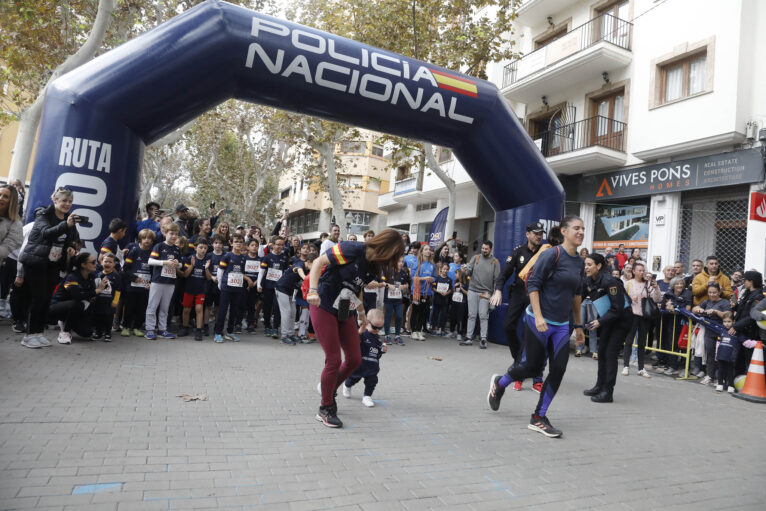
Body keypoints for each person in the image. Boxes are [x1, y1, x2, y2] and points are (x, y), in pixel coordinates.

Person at [487, 215, 586, 438]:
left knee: (558, 370)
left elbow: (576, 295)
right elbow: (532, 284)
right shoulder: (552, 254)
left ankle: (538, 417)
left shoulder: (579, 262)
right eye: (576, 228)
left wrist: (578, 326)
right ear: (564, 231)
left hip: (562, 325)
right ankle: (500, 384)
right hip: (537, 320)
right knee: (531, 368)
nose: (580, 232)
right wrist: (539, 316)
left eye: (583, 229)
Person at [307, 229, 405, 428]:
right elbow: (318, 263)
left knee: (354, 358)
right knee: (334, 359)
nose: (391, 262)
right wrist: (313, 290)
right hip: (323, 302)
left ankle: (328, 388)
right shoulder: (352, 249)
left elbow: (356, 288)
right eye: (393, 256)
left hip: (345, 308)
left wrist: (361, 313)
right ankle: (325, 407)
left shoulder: (374, 267)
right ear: (386, 247)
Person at [19, 187, 81, 348]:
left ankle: (38, 333)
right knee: (38, 298)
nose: (67, 204)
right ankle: (28, 335)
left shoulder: (69, 219)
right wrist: (65, 225)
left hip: (54, 263)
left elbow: (70, 239)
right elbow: (46, 233)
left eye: (70, 201)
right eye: (64, 201)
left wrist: (71, 248)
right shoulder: (43, 214)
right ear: (55, 200)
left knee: (47, 300)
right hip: (36, 261)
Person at [581, 253, 632, 403]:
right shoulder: (589, 280)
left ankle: (608, 392)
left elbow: (617, 308)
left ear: (599, 266)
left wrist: (599, 322)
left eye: (589, 264)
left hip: (621, 320)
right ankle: (599, 386)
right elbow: (579, 296)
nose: (586, 267)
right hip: (608, 320)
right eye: (585, 264)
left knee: (610, 354)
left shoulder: (610, 281)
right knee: (601, 351)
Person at [491, 221, 544, 360]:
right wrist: (498, 290)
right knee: (508, 326)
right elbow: (504, 274)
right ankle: (518, 357)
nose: (539, 236)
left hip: (536, 296)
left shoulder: (545, 252)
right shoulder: (518, 252)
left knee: (530, 331)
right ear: (527, 234)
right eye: (536, 233)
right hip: (519, 293)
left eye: (541, 234)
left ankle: (524, 363)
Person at [48, 252, 109, 344]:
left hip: (76, 307)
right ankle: (64, 332)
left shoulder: (92, 276)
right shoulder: (72, 276)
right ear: (83, 265)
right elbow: (78, 295)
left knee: (87, 333)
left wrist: (103, 283)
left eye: (95, 261)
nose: (96, 264)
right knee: (77, 303)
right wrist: (97, 291)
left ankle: (65, 322)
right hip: (56, 307)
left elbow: (99, 287)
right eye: (93, 262)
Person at [341, 308, 387, 407]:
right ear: (367, 323)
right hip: (360, 365)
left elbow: (377, 354)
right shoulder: (363, 334)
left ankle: (367, 396)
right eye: (375, 327)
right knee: (353, 378)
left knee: (372, 381)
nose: (377, 330)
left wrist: (382, 350)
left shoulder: (378, 339)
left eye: (380, 328)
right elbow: (354, 342)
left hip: (372, 366)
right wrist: (360, 332)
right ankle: (347, 385)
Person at [622, 262, 661, 377]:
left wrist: (656, 287)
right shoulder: (628, 284)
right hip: (632, 315)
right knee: (629, 341)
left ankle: (641, 368)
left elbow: (657, 299)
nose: (642, 272)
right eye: (639, 270)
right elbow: (622, 299)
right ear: (633, 271)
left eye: (643, 270)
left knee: (642, 342)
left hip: (645, 316)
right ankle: (626, 366)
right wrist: (630, 299)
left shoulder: (649, 284)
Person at [145, 223, 181, 340]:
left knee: (165, 308)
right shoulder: (159, 246)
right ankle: (149, 330)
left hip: (170, 282)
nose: (174, 236)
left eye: (176, 234)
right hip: (157, 281)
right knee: (152, 306)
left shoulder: (176, 249)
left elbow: (180, 265)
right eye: (171, 234)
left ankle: (162, 330)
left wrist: (177, 264)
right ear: (165, 233)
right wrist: (164, 262)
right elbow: (150, 261)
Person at [464, 240, 501, 349]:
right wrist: (466, 270)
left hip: (486, 293)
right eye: (483, 248)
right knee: (471, 315)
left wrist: (494, 294)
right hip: (472, 290)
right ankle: (468, 338)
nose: (484, 250)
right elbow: (468, 273)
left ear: (491, 249)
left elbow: (497, 279)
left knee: (483, 316)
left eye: (486, 249)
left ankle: (483, 339)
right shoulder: (475, 258)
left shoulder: (495, 262)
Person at [692, 283, 731, 384]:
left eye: (714, 292)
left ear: (719, 292)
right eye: (710, 292)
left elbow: (727, 315)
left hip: (721, 332)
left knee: (721, 355)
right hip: (709, 331)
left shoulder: (725, 302)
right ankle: (709, 375)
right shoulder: (707, 301)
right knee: (709, 353)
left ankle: (721, 377)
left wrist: (715, 311)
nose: (712, 294)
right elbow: (694, 309)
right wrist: (699, 309)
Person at [214, 234, 250, 343]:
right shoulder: (227, 256)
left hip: (238, 288)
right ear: (231, 243)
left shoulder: (243, 258)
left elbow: (241, 273)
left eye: (240, 242)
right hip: (226, 287)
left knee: (234, 311)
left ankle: (230, 332)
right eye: (236, 241)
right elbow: (220, 271)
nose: (238, 244)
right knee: (223, 311)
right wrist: (220, 284)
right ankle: (218, 333)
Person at [122, 229, 155, 336]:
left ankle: (137, 327)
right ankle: (126, 327)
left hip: (145, 286)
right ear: (140, 239)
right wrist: (133, 278)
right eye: (144, 238)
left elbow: (155, 271)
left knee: (141, 308)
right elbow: (125, 269)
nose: (147, 240)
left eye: (149, 238)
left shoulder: (153, 253)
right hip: (132, 286)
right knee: (129, 307)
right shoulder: (134, 251)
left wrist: (152, 283)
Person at [731, 270, 763, 374]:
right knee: (738, 358)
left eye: (745, 280)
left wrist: (736, 326)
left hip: (749, 333)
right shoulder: (747, 293)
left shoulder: (758, 297)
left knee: (748, 359)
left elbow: (751, 317)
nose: (743, 282)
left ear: (751, 281)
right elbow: (742, 309)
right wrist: (735, 306)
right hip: (741, 330)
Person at [275, 242, 308, 345]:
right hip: (282, 288)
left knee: (293, 312)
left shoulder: (308, 269)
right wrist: (305, 278)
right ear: (309, 262)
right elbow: (298, 270)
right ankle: (284, 336)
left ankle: (291, 333)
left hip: (292, 290)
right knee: (287, 311)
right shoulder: (300, 264)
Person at [178, 238, 210, 340]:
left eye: (205, 248)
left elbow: (209, 278)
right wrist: (192, 265)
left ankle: (198, 330)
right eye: (200, 247)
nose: (203, 250)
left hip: (201, 289)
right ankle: (185, 327)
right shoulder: (189, 258)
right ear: (195, 248)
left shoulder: (208, 260)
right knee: (186, 309)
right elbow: (185, 275)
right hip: (189, 289)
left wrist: (206, 269)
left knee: (199, 308)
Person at [660, 277, 693, 376]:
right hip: (671, 322)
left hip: (684, 323)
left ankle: (684, 367)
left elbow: (687, 309)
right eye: (677, 284)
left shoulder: (688, 294)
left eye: (681, 284)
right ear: (673, 285)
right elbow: (663, 306)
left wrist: (673, 308)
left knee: (684, 345)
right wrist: (668, 307)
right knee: (672, 344)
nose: (680, 286)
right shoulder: (668, 293)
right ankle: (672, 366)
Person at [257, 236, 289, 338]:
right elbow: (261, 271)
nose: (279, 246)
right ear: (273, 245)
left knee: (277, 308)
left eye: (282, 245)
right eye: (278, 244)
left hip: (279, 288)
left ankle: (275, 328)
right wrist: (258, 284)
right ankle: (267, 326)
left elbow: (286, 273)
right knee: (267, 307)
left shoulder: (285, 257)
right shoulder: (267, 257)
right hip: (268, 286)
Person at [0, 184, 24, 318]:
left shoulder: (15, 224)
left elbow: (8, 247)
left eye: (5, 196)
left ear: (12, 201)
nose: (1, 198)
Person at [92, 253, 122, 341]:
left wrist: (115, 301)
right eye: (106, 261)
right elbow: (95, 287)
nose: (108, 264)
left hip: (110, 302)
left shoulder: (116, 277)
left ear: (114, 264)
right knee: (98, 317)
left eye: (110, 262)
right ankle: (98, 332)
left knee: (109, 318)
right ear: (101, 262)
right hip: (99, 301)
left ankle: (108, 333)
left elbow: (118, 290)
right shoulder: (97, 275)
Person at [409, 243, 435, 341]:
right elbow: (412, 277)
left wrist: (432, 279)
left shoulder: (432, 265)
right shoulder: (417, 263)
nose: (428, 251)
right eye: (426, 249)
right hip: (416, 291)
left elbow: (435, 277)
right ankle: (413, 331)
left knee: (423, 312)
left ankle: (419, 331)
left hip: (426, 293)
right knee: (415, 311)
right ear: (422, 251)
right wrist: (424, 278)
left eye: (429, 249)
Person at [383, 257, 410, 346]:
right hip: (389, 298)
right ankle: (387, 336)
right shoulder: (389, 271)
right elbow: (381, 282)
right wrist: (388, 285)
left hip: (398, 299)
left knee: (399, 316)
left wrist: (404, 286)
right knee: (388, 316)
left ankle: (397, 336)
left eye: (402, 262)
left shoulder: (403, 273)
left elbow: (407, 284)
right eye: (399, 261)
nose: (401, 263)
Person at [203, 235, 226, 336]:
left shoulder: (225, 256)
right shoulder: (208, 255)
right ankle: (205, 325)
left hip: (221, 284)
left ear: (223, 245)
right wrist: (212, 277)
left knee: (218, 306)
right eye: (216, 243)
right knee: (208, 306)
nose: (218, 245)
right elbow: (205, 269)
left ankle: (217, 326)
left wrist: (220, 279)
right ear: (212, 244)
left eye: (220, 243)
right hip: (210, 283)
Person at [715, 312, 741, 393]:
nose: (726, 324)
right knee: (720, 370)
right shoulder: (721, 330)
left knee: (730, 371)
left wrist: (755, 344)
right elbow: (718, 342)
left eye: (729, 321)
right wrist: (716, 354)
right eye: (725, 321)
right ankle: (720, 384)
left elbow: (744, 341)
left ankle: (730, 385)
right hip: (721, 355)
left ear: (733, 321)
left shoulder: (736, 332)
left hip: (731, 356)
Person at [243, 239, 262, 333]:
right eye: (252, 245)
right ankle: (238, 323)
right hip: (244, 285)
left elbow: (262, 273)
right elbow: (240, 272)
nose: (254, 247)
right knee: (241, 304)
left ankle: (250, 324)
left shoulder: (260, 259)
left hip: (255, 286)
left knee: (252, 306)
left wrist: (254, 283)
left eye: (256, 245)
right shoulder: (244, 258)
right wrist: (248, 280)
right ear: (248, 247)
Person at [431, 263, 452, 336]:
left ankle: (442, 329)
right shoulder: (437, 278)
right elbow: (433, 287)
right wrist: (438, 291)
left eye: (447, 269)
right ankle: (434, 328)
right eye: (444, 269)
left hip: (445, 300)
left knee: (443, 315)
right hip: (437, 299)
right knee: (435, 314)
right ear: (441, 269)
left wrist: (446, 293)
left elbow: (450, 289)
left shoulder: (449, 279)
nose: (445, 271)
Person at [449, 268, 468, 342]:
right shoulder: (455, 282)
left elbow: (467, 293)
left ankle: (459, 333)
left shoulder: (465, 283)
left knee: (460, 318)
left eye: (456, 273)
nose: (455, 275)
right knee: (452, 316)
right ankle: (451, 331)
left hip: (462, 303)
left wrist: (461, 288)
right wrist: (454, 287)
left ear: (460, 274)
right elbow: (453, 292)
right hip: (454, 302)